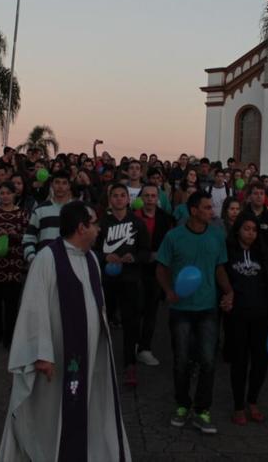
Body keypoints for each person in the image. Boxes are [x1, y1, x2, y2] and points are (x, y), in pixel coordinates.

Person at [0, 201, 132, 461]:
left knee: (87, 406)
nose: (98, 228)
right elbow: (34, 308)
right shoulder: (48, 258)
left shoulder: (91, 258)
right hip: (56, 359)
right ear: (81, 227)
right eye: (94, 224)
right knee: (51, 414)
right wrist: (41, 354)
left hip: (89, 354)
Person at [156, 191, 232, 435]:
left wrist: (229, 291)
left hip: (208, 308)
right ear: (193, 210)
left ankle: (202, 410)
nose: (212, 211)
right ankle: (182, 405)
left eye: (212, 207)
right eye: (207, 207)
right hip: (180, 309)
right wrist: (168, 291)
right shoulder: (173, 236)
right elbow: (161, 268)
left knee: (208, 361)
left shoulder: (217, 235)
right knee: (181, 361)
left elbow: (219, 267)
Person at [219, 212, 268, 426]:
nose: (251, 233)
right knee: (239, 360)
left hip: (261, 316)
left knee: (260, 360)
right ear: (237, 229)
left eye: (254, 230)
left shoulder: (264, 254)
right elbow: (219, 279)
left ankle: (253, 400)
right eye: (246, 229)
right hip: (236, 316)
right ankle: (238, 405)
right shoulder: (227, 252)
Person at [94, 184, 152, 386]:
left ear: (129, 199)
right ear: (110, 200)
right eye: (115, 196)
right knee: (102, 321)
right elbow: (91, 250)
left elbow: (147, 252)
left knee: (131, 323)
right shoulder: (102, 223)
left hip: (130, 280)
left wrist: (134, 257)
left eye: (122, 196)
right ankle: (99, 360)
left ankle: (130, 363)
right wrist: (104, 256)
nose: (118, 199)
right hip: (107, 281)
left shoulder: (138, 224)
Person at [0, 182, 29, 348]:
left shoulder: (23, 214)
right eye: (2, 193)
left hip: (13, 265)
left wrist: (14, 235)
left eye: (9, 193)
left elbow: (27, 236)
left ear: (14, 194)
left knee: (11, 303)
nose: (5, 196)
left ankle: (9, 335)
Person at [133, 183, 175, 367]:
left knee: (151, 310)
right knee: (134, 309)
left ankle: (145, 348)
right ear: (141, 198)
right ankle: (131, 345)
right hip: (135, 268)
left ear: (158, 198)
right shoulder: (132, 218)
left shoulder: (166, 218)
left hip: (157, 270)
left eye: (153, 196)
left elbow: (170, 244)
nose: (150, 199)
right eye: (146, 196)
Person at [22, 171, 74, 263]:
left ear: (69, 186)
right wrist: (32, 258)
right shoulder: (40, 210)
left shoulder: (78, 209)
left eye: (64, 183)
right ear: (51, 185)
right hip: (45, 263)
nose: (60, 187)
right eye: (57, 182)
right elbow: (29, 237)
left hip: (72, 263)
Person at [244, 183, 268, 254]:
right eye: (256, 193)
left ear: (265, 196)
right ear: (250, 196)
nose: (259, 196)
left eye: (262, 193)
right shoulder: (242, 216)